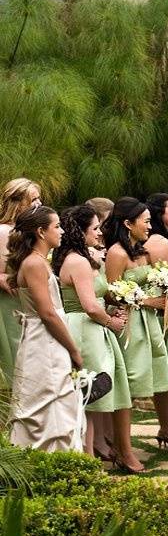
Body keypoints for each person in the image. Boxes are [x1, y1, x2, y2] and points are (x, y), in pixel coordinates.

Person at [55, 205, 138, 468]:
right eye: (94, 228)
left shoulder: (79, 257)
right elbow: (90, 306)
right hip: (85, 328)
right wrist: (111, 322)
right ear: (80, 231)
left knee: (94, 394)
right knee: (90, 393)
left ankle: (93, 454)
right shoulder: (77, 261)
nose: (100, 232)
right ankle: (87, 457)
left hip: (92, 328)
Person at [103, 198, 168, 464]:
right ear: (127, 223)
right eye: (145, 221)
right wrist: (144, 301)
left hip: (149, 325)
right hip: (128, 324)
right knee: (127, 385)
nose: (149, 225)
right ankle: (123, 449)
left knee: (146, 381)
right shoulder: (116, 253)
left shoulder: (142, 252)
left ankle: (122, 445)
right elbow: (110, 295)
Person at [7, 206, 83, 452]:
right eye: (57, 226)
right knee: (49, 398)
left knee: (55, 400)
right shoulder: (34, 264)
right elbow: (48, 314)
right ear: (41, 231)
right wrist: (74, 350)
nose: (62, 231)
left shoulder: (38, 261)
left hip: (44, 338)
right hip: (45, 342)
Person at [141, 193, 168, 449]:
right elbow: (166, 281)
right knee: (167, 373)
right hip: (163, 313)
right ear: (160, 213)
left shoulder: (166, 239)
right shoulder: (158, 242)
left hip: (167, 309)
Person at [0, 178, 42, 386]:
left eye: (39, 199)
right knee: (16, 363)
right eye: (33, 199)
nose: (39, 204)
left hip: (30, 306)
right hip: (10, 307)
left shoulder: (29, 234)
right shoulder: (4, 232)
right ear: (18, 203)